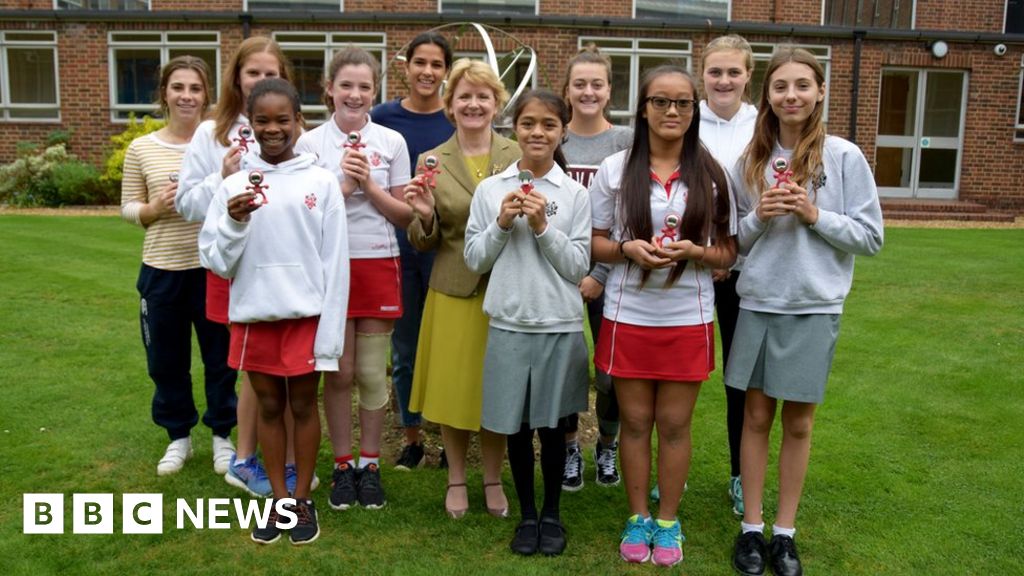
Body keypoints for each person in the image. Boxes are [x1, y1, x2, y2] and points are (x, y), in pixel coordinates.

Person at [726, 47, 883, 576]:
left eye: (802, 85)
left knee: (798, 422)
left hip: (814, 305)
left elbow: (871, 237)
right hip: (759, 301)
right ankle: (751, 528)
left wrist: (815, 215)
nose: (790, 95)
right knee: (754, 416)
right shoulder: (749, 160)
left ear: (819, 92)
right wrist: (760, 217)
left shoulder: (842, 157)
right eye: (780, 86)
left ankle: (785, 534)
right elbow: (734, 244)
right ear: (766, 95)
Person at [589, 64, 737, 567]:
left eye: (682, 103)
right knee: (633, 421)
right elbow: (594, 242)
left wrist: (696, 251)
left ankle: (668, 523)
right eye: (660, 101)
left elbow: (728, 253)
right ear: (644, 108)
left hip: (686, 317)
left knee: (674, 424)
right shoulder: (615, 169)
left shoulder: (712, 173)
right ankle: (637, 517)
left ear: (694, 111)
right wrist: (628, 248)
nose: (672, 111)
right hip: (629, 315)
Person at [199, 77, 348, 546]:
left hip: (305, 317)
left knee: (303, 405)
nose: (273, 129)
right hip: (255, 315)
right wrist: (235, 220)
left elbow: (335, 263)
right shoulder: (235, 185)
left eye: (283, 119)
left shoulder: (322, 181)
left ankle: (303, 500)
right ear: (250, 124)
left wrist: (330, 334)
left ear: (299, 121)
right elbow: (217, 260)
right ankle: (279, 501)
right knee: (268, 405)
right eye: (262, 120)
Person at [176, 36, 306, 497]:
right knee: (253, 366)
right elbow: (187, 203)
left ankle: (284, 461)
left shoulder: (294, 132)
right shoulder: (212, 133)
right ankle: (245, 458)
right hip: (233, 267)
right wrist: (222, 176)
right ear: (237, 77)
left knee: (286, 368)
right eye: (253, 73)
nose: (262, 81)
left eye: (272, 74)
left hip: (283, 272)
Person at [464, 89, 591, 557]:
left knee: (555, 426)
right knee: (516, 426)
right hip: (510, 323)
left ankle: (553, 513)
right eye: (528, 123)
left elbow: (579, 266)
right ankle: (527, 516)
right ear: (513, 128)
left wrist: (542, 228)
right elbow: (475, 259)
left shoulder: (574, 193)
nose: (538, 132)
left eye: (549, 125)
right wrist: (500, 224)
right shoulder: (491, 189)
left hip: (557, 323)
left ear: (562, 131)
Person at [296, 46, 411, 511]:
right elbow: (304, 217)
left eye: (365, 86)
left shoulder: (391, 142)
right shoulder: (309, 144)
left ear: (375, 90)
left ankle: (370, 464)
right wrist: (343, 184)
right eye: (346, 85)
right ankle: (342, 465)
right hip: (328, 267)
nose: (355, 94)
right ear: (329, 89)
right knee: (338, 373)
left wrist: (370, 185)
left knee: (368, 372)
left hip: (377, 261)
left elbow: (405, 215)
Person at [403, 59, 516, 519]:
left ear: (496, 103)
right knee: (453, 393)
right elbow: (422, 239)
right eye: (464, 96)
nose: (473, 104)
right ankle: (455, 478)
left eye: (482, 96)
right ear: (449, 105)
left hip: (506, 292)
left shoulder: (516, 155)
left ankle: (491, 478)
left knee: (496, 391)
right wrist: (426, 214)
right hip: (453, 291)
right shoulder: (430, 160)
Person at [121, 56, 237, 477]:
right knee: (165, 361)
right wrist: (153, 207)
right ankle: (179, 438)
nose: (187, 96)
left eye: (195, 88)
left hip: (212, 268)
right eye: (178, 87)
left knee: (220, 359)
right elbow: (128, 207)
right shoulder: (142, 148)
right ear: (165, 94)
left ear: (207, 95)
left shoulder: (221, 144)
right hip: (162, 268)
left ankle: (223, 436)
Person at [371, 31, 455, 470]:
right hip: (397, 248)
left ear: (446, 71)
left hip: (445, 249)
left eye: (436, 64)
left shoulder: (457, 117)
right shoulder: (381, 118)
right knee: (404, 348)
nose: (427, 72)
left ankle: (447, 442)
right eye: (420, 62)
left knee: (445, 346)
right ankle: (412, 436)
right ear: (405, 66)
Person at [559, 44, 633, 492]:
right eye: (579, 84)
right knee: (566, 370)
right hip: (556, 276)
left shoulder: (624, 141)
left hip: (610, 276)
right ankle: (569, 447)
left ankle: (607, 443)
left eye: (597, 84)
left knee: (610, 374)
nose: (588, 91)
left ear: (609, 91)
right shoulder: (554, 135)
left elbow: (629, 213)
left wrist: (599, 275)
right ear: (567, 89)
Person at [699, 34, 759, 516]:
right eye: (715, 72)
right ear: (703, 75)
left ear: (747, 76)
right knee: (674, 376)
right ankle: (668, 474)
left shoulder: (764, 125)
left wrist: (729, 255)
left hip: (746, 273)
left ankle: (741, 475)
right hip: (691, 267)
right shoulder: (684, 117)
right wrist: (707, 254)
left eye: (732, 72)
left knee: (740, 381)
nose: (724, 80)